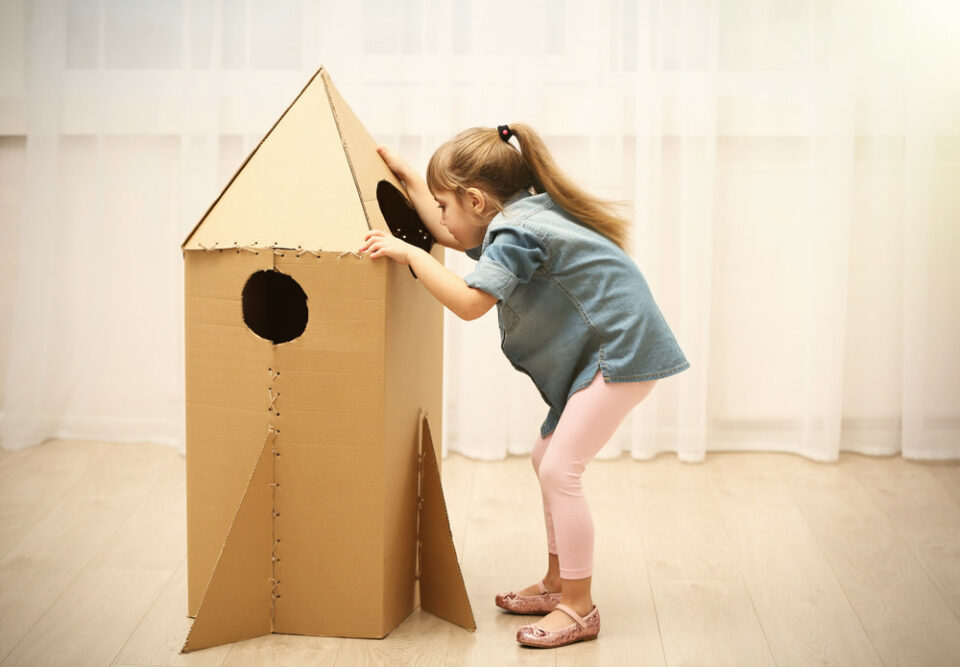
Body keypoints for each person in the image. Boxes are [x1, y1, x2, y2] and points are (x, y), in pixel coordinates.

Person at [359, 123, 690, 648]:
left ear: (476, 200)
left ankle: (579, 607)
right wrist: (410, 180)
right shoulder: (521, 215)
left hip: (619, 349)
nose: (440, 220)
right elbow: (451, 232)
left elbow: (470, 304)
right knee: (546, 457)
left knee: (561, 467)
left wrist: (411, 255)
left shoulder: (517, 232)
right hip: (604, 350)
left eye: (445, 204)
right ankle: (560, 582)